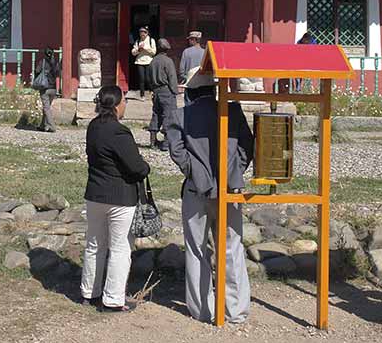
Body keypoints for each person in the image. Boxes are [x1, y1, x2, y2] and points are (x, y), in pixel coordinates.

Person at [165, 84, 255, 324]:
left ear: (191, 92)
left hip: (196, 189)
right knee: (232, 248)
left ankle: (203, 309)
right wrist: (235, 171)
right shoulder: (233, 111)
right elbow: (248, 146)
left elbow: (176, 151)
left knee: (197, 249)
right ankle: (235, 310)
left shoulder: (181, 115)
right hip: (230, 188)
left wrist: (194, 171)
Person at [80, 85, 151, 312]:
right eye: (124, 101)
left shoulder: (93, 127)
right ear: (117, 104)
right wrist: (146, 166)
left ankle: (89, 292)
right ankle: (112, 299)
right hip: (120, 197)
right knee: (120, 248)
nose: (126, 105)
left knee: (94, 245)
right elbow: (136, 167)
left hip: (95, 194)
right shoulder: (120, 132)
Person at [148, 38, 180, 151]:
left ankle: (152, 140)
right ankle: (166, 144)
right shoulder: (168, 61)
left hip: (156, 91)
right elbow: (172, 77)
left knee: (156, 114)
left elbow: (149, 78)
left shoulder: (152, 61)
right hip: (167, 91)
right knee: (169, 115)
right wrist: (175, 91)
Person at [179, 31, 214, 106]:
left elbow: (182, 71)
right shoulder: (205, 52)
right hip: (204, 85)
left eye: (190, 39)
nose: (189, 41)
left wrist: (186, 79)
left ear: (193, 40)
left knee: (189, 108)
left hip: (190, 86)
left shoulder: (186, 52)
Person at [33, 48, 61, 133]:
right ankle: (42, 125)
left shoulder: (43, 62)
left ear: (44, 54)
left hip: (45, 88)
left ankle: (52, 126)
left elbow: (37, 71)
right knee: (47, 107)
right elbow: (58, 73)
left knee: (46, 108)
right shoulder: (55, 63)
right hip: (53, 88)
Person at [130, 27, 156, 98]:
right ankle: (142, 95)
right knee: (141, 79)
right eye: (141, 33)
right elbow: (133, 52)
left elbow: (154, 52)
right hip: (140, 61)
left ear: (147, 33)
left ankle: (151, 90)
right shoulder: (138, 41)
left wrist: (146, 49)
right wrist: (139, 49)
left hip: (148, 61)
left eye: (144, 33)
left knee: (148, 78)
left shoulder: (151, 40)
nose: (142, 34)